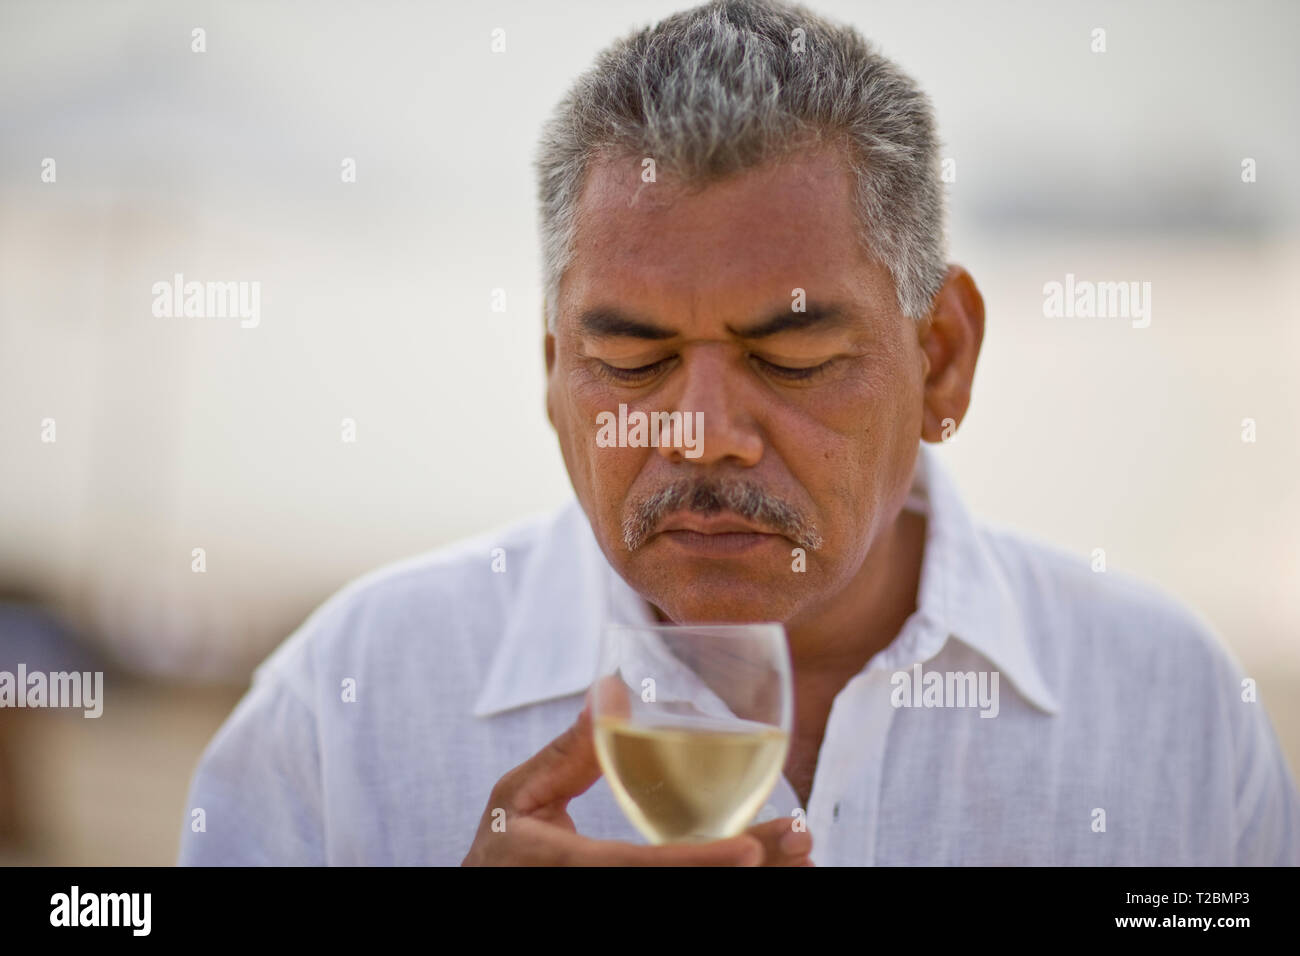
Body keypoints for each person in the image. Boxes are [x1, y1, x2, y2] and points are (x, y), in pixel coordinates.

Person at [178, 0, 1300, 866]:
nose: (703, 432)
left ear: (941, 357)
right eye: (630, 357)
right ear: (551, 370)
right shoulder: (346, 701)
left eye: (792, 354)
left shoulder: (1170, 710)